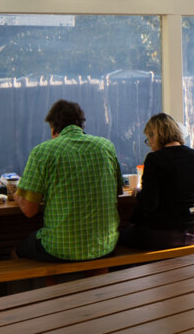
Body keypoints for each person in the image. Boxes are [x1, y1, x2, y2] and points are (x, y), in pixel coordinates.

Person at [14, 99, 122, 261]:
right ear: (81, 125)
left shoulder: (43, 152)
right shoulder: (106, 146)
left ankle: (51, 286)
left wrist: (17, 197)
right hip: (105, 245)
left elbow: (30, 210)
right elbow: (117, 191)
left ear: (53, 127)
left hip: (60, 248)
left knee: (16, 253)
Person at [120, 113, 194, 249]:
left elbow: (150, 204)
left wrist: (139, 193)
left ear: (154, 136)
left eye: (148, 139)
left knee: (119, 237)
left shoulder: (154, 159)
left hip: (164, 234)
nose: (149, 144)